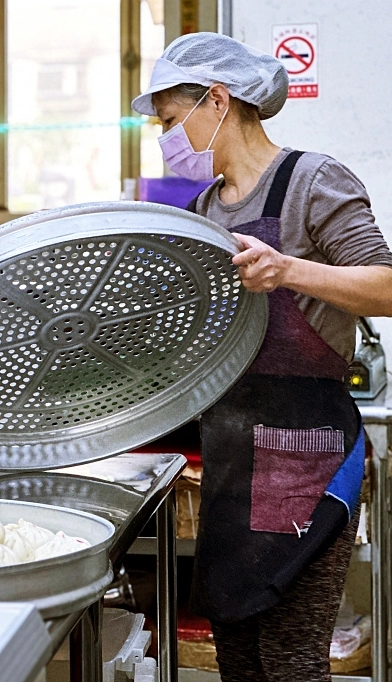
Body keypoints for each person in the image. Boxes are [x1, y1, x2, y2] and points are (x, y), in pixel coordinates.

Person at [133, 33, 392, 681]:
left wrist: (287, 271)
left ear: (216, 101)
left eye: (168, 121)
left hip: (308, 462)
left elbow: (386, 287)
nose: (164, 138)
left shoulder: (313, 181)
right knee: (241, 661)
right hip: (232, 467)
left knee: (290, 663)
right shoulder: (199, 212)